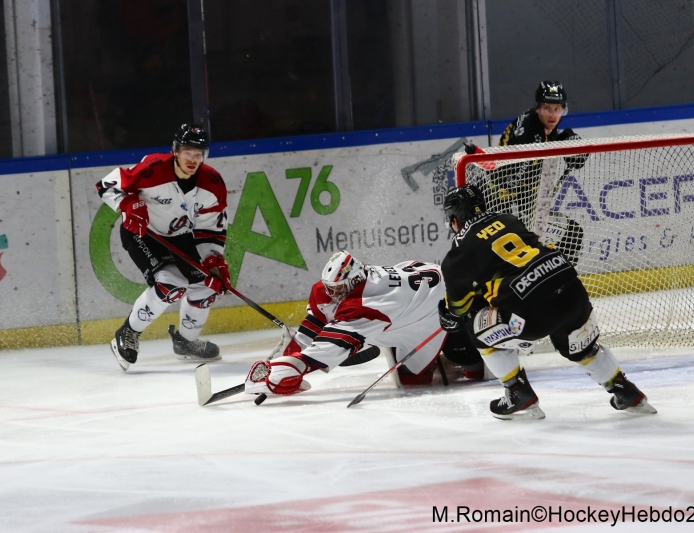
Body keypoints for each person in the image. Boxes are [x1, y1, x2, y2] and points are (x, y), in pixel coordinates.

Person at [437, 184, 656, 420]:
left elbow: (458, 309)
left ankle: (517, 391)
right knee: (581, 348)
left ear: (455, 219)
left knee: (474, 325)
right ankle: (625, 391)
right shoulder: (509, 219)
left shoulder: (456, 255)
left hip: (533, 315)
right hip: (572, 292)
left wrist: (455, 313)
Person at [244, 251, 486, 397]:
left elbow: (330, 348)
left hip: (438, 305)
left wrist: (295, 367)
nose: (331, 294)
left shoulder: (369, 303)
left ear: (355, 281)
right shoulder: (351, 282)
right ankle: (385, 340)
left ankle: (456, 352)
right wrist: (289, 355)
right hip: (421, 280)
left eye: (338, 289)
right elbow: (316, 323)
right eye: (330, 287)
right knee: (401, 367)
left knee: (421, 377)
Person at [96, 123, 230, 371]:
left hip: (182, 237)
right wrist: (127, 204)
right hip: (144, 233)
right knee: (171, 284)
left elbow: (211, 229)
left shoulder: (212, 183)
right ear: (176, 151)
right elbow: (106, 185)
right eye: (187, 152)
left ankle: (186, 343)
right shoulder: (152, 168)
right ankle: (128, 332)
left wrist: (213, 262)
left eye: (198, 153)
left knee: (205, 285)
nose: (193, 159)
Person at [476, 81, 586, 264]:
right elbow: (513, 182)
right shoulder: (529, 136)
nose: (552, 114)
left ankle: (560, 278)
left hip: (518, 202)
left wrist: (571, 143)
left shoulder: (542, 128)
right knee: (521, 253)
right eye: (547, 108)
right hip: (501, 204)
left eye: (557, 109)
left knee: (572, 233)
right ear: (538, 108)